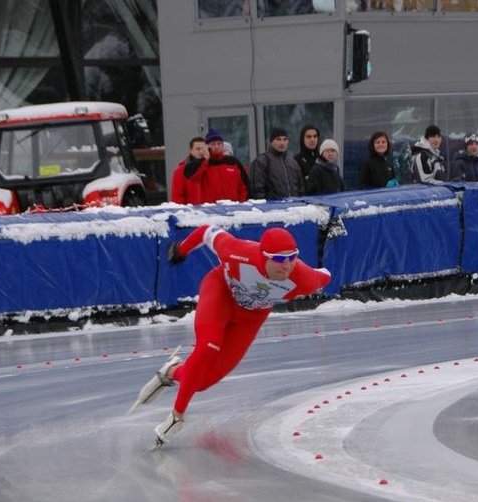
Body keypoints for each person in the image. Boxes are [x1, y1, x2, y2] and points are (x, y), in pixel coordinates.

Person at [129, 225, 331, 446]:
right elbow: (207, 232)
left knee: (202, 382)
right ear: (264, 256)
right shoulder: (237, 251)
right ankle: (176, 417)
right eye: (279, 260)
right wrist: (182, 250)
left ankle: (172, 371)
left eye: (293, 257)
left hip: (249, 320)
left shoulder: (304, 279)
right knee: (208, 347)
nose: (288, 266)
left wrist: (320, 271)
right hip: (220, 294)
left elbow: (325, 275)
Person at [172, 130, 250, 204]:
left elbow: (243, 187)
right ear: (207, 147)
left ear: (223, 145)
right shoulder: (200, 164)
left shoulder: (232, 162)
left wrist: (241, 205)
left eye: (219, 144)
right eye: (213, 144)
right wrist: (206, 160)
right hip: (210, 211)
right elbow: (193, 178)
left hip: (233, 210)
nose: (216, 147)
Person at [249, 128, 305, 200]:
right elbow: (257, 189)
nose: (282, 143)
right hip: (272, 209)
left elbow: (301, 189)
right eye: (278, 139)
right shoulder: (262, 161)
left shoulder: (293, 163)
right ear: (271, 142)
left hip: (293, 208)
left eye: (285, 139)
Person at [170, 136, 207, 204]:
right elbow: (177, 196)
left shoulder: (210, 167)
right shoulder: (181, 170)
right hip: (192, 211)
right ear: (190, 150)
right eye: (198, 149)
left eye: (203, 149)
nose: (201, 152)